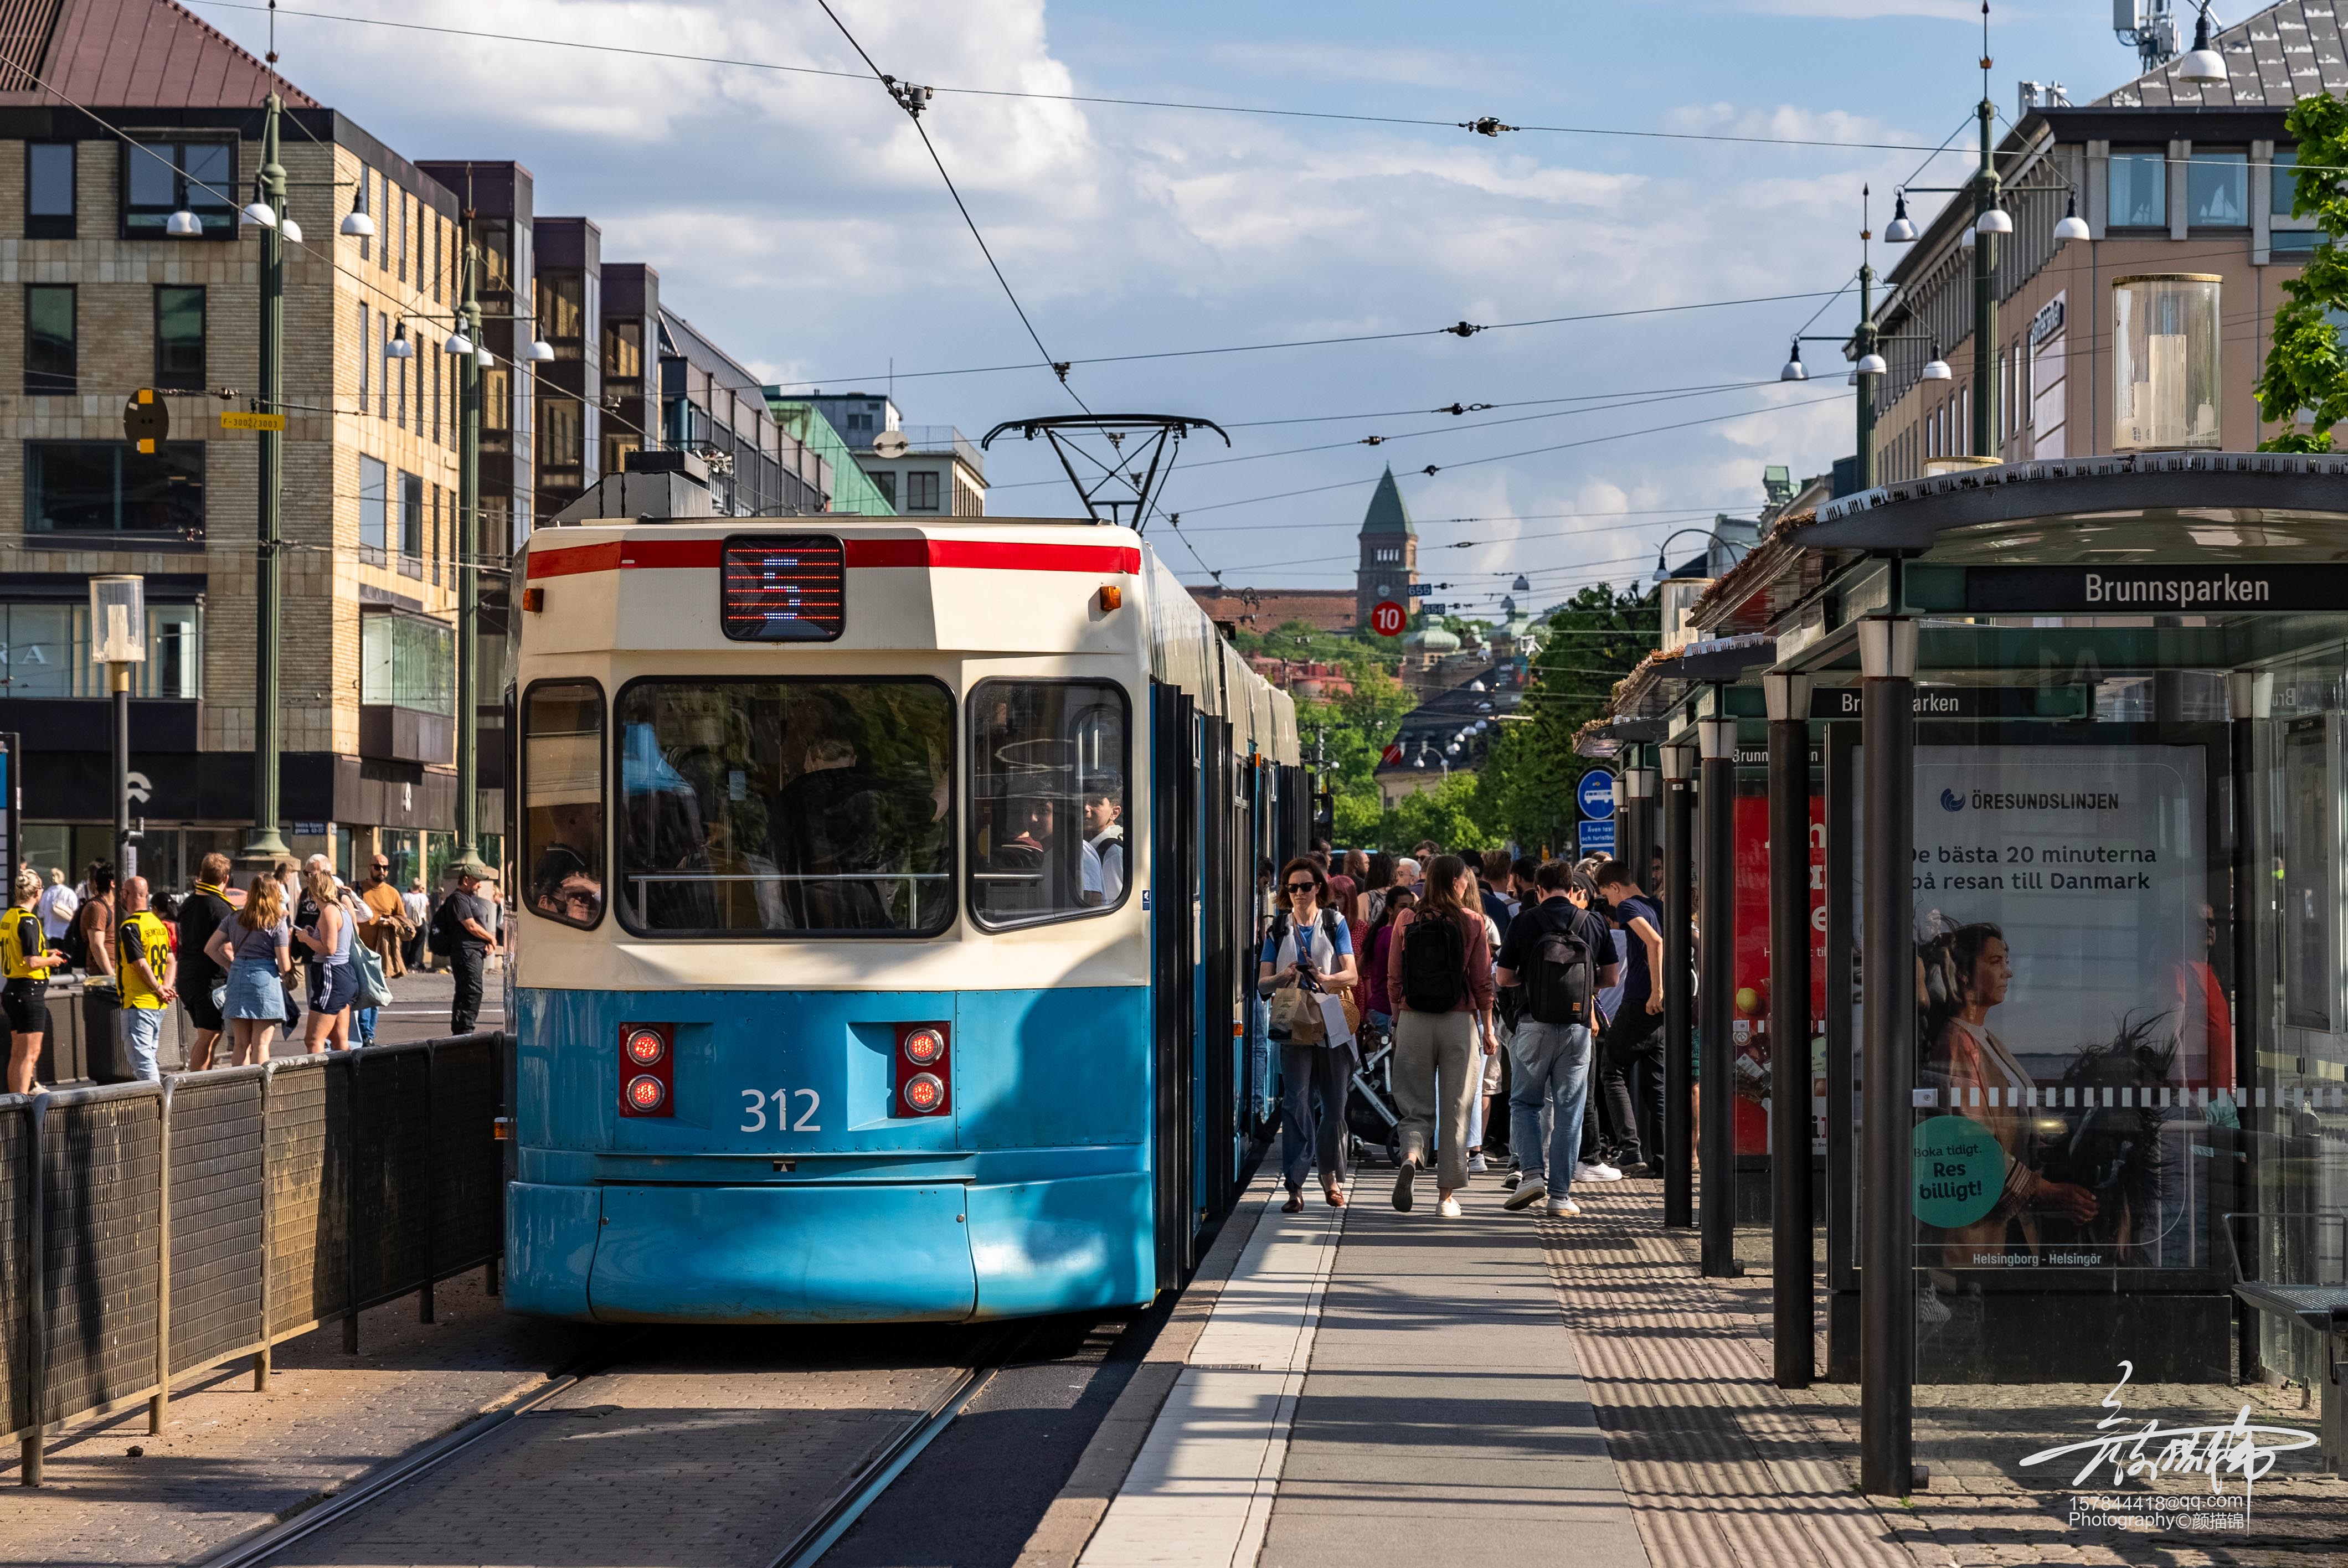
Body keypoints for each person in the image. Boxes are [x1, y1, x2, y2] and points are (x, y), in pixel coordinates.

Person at [1496, 863, 1621, 1217]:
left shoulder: (1524, 921)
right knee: (1570, 1111)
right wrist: (1579, 987)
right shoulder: (1592, 923)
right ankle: (1561, 1197)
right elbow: (1611, 978)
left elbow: (1504, 978)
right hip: (1578, 1027)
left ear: (1538, 889)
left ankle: (1532, 1174)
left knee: (1524, 1104)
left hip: (1533, 1024)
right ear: (1572, 888)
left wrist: (1535, 984)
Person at [1386, 854, 1497, 1218]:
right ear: (1456, 883)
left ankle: (1411, 1157)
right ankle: (1446, 1197)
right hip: (1458, 1021)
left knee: (1415, 1105)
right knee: (1457, 1108)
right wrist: (1489, 1029)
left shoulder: (1406, 918)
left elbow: (1394, 978)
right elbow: (1483, 981)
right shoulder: (1473, 922)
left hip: (1414, 1019)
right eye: (1465, 879)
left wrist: (1398, 1019)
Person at [1259, 856, 1360, 1214]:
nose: (1299, 893)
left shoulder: (1334, 923)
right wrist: (1284, 976)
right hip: (1292, 1017)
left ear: (1319, 888)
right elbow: (1262, 983)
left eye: (1305, 886)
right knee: (1295, 1103)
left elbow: (1352, 976)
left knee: (1335, 1105)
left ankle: (1330, 1176)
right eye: (1292, 888)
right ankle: (1295, 1184)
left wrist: (1325, 978)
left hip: (1331, 1015)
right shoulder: (1278, 929)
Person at [1594, 859, 1667, 1177]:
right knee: (1657, 1083)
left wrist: (1657, 989)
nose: (1609, 905)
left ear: (1614, 887)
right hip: (1661, 1010)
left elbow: (1655, 941)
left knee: (1611, 1069)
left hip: (1642, 999)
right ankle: (1664, 1156)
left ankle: (1630, 1150)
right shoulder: (1657, 905)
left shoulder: (1627, 908)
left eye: (1607, 896)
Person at [207, 873, 292, 1067]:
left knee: (240, 1044)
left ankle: (242, 1090)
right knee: (261, 1044)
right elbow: (284, 965)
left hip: (238, 977)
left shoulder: (234, 918)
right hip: (265, 980)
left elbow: (210, 948)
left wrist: (230, 965)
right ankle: (261, 1092)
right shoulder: (277, 923)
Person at [3, 869, 66, 1093]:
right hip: (29, 991)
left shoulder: (10, 916)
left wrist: (46, 952)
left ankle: (14, 1102)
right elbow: (31, 962)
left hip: (13, 989)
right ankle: (21, 1104)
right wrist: (50, 961)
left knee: (18, 1054)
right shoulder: (29, 921)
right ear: (38, 893)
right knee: (30, 1055)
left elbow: (21, 951)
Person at [177, 853, 237, 1071]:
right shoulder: (220, 908)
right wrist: (236, 968)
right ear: (225, 878)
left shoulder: (189, 902)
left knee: (208, 1036)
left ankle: (198, 1083)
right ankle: (197, 1088)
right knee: (208, 1037)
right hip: (209, 982)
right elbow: (226, 948)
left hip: (187, 976)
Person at [115, 876, 177, 1082]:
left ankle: (158, 1108)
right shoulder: (158, 924)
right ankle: (158, 1106)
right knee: (149, 1056)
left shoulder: (131, 926)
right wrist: (166, 988)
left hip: (138, 1002)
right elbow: (171, 961)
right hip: (158, 1005)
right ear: (147, 895)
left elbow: (139, 963)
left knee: (142, 1062)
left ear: (125, 894)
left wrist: (159, 988)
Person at [294, 866, 355, 1052]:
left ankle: (318, 1081)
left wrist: (306, 939)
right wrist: (314, 936)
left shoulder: (329, 911)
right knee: (339, 1039)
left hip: (330, 974)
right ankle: (346, 1080)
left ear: (314, 890)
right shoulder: (341, 908)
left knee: (313, 1039)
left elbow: (329, 949)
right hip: (343, 974)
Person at [440, 865, 498, 1034]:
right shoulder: (459, 899)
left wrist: (486, 941)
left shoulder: (466, 899)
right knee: (472, 991)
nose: (479, 885)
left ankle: (461, 1030)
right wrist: (491, 938)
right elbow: (471, 926)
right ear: (466, 880)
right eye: (477, 881)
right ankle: (465, 1030)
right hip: (466, 953)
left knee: (467, 991)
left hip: (472, 952)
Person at [1359, 886, 1415, 1031]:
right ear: (1390, 910)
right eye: (1403, 907)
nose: (1408, 911)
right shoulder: (1391, 935)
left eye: (1412, 906)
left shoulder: (1381, 932)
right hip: (1387, 1013)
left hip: (1380, 1011)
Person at [358, 854, 410, 978]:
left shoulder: (393, 893)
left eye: (385, 868)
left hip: (382, 951)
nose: (382, 871)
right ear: (370, 868)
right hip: (359, 950)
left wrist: (391, 922)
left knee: (377, 991)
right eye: (377, 867)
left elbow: (402, 920)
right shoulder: (357, 889)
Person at [1082, 778, 1125, 907]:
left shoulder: (1111, 852)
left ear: (1114, 812)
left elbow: (1113, 905)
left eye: (1096, 803)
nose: (1086, 808)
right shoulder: (1091, 845)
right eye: (1082, 801)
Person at [73, 860, 116, 976]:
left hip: (117, 971)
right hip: (103, 975)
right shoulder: (97, 908)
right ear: (113, 884)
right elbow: (96, 945)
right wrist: (112, 976)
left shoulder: (115, 907)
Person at [36, 867, 76, 946]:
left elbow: (40, 914)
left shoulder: (46, 894)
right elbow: (75, 909)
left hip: (51, 931)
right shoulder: (69, 893)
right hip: (66, 931)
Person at [402, 878, 431, 971]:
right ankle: (416, 962)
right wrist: (422, 892)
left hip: (409, 922)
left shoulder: (405, 896)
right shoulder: (423, 897)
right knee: (419, 944)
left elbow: (402, 908)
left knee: (407, 944)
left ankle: (406, 962)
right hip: (421, 923)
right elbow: (427, 905)